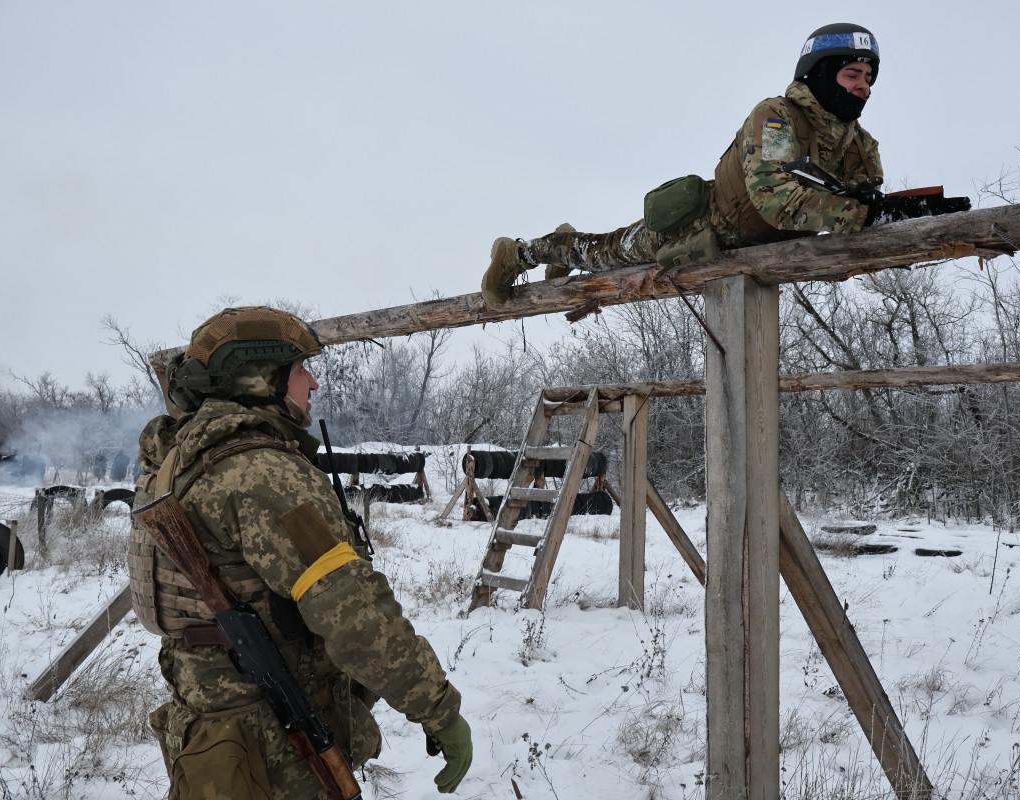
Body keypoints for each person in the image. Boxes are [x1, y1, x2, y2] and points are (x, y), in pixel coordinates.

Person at [128, 306, 472, 798]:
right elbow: (352, 612)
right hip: (274, 738)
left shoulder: (175, 464)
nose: (312, 384)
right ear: (259, 379)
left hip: (211, 731)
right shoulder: (262, 474)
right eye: (299, 370)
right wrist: (438, 708)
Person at [481, 22, 966, 310]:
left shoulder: (861, 143)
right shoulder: (776, 117)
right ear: (821, 73)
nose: (863, 86)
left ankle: (559, 251)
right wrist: (866, 214)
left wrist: (897, 211)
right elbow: (779, 203)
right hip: (696, 226)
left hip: (756, 249)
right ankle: (522, 251)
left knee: (601, 254)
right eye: (852, 73)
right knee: (605, 253)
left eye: (869, 78)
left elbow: (858, 212)